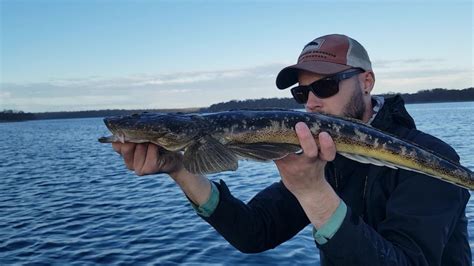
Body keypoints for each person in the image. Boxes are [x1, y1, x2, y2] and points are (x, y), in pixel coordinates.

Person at [111, 34, 471, 265]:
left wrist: (315, 193)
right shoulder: (319, 159)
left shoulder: (432, 158)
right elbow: (254, 232)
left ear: (367, 81)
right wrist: (181, 170)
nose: (311, 103)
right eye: (302, 93)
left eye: (326, 86)